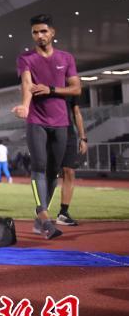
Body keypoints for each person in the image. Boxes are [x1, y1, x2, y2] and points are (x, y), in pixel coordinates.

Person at [12, 14, 81, 240]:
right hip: (36, 120)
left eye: (43, 31)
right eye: (35, 32)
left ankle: (39, 219)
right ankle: (43, 216)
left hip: (61, 122)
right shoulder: (26, 58)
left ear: (52, 32)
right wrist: (25, 106)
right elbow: (26, 83)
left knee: (53, 172)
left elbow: (76, 89)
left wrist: (51, 89)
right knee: (39, 166)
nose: (39, 35)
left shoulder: (66, 58)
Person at [57, 96, 87, 225]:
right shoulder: (46, 85)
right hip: (49, 132)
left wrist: (83, 138)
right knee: (49, 174)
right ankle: (41, 214)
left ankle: (63, 213)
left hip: (68, 134)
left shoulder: (71, 88)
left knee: (69, 171)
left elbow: (77, 113)